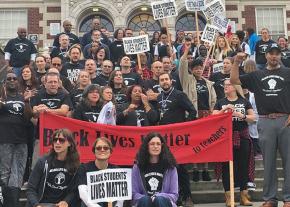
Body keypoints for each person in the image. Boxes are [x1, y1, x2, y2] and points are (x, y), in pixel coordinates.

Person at [230, 44, 290, 207]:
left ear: (280, 56)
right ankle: (270, 198)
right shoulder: (257, 75)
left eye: (277, 54)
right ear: (266, 55)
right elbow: (234, 80)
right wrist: (236, 62)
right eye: (271, 53)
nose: (274, 56)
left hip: (286, 120)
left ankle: (288, 198)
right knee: (268, 162)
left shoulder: (288, 72)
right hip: (265, 120)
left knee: (289, 161)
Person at [213, 79, 255, 206]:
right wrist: (224, 110)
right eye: (224, 85)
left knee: (243, 166)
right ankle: (229, 198)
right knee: (226, 167)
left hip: (242, 136)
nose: (225, 87)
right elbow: (213, 117)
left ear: (235, 87)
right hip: (225, 138)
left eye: (228, 85)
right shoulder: (220, 102)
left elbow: (253, 118)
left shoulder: (244, 101)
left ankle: (244, 196)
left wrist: (238, 114)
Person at [157, 72, 196, 207]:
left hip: (178, 139)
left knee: (180, 167)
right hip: (163, 139)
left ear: (171, 80)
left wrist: (184, 126)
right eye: (161, 80)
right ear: (159, 83)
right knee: (167, 167)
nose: (164, 82)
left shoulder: (179, 95)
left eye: (166, 79)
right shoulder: (158, 97)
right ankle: (174, 197)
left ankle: (187, 196)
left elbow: (192, 111)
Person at [179, 43, 216, 182]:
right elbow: (182, 66)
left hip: (207, 115)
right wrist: (186, 50)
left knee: (206, 143)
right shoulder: (187, 81)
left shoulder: (208, 83)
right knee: (194, 143)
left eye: (201, 68)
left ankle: (205, 170)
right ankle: (195, 169)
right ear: (192, 69)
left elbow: (213, 100)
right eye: (196, 68)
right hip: (193, 115)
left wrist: (212, 112)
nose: (199, 70)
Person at [0, 72, 33, 207]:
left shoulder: (22, 97)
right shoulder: (2, 97)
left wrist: (26, 101)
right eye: (9, 79)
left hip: (22, 140)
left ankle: (12, 204)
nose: (12, 80)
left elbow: (28, 117)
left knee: (18, 173)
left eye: (14, 78)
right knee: (5, 172)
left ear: (18, 82)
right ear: (5, 82)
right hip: (4, 139)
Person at [26, 128, 80, 207]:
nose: (57, 143)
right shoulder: (43, 162)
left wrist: (66, 201)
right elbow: (31, 188)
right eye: (55, 140)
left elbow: (75, 190)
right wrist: (36, 205)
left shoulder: (75, 165)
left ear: (69, 143)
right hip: (42, 203)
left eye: (61, 140)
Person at [132, 132, 178, 207]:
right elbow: (134, 194)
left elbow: (174, 195)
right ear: (147, 146)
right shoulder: (137, 167)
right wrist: (149, 199)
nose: (155, 146)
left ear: (162, 146)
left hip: (164, 203)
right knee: (145, 200)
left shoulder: (171, 167)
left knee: (159, 200)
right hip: (144, 203)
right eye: (152, 144)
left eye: (158, 144)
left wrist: (157, 197)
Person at [78, 137, 123, 207]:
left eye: (105, 148)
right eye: (98, 148)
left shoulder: (116, 170)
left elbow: (121, 196)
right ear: (94, 151)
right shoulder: (84, 168)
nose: (102, 150)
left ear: (110, 151)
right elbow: (83, 193)